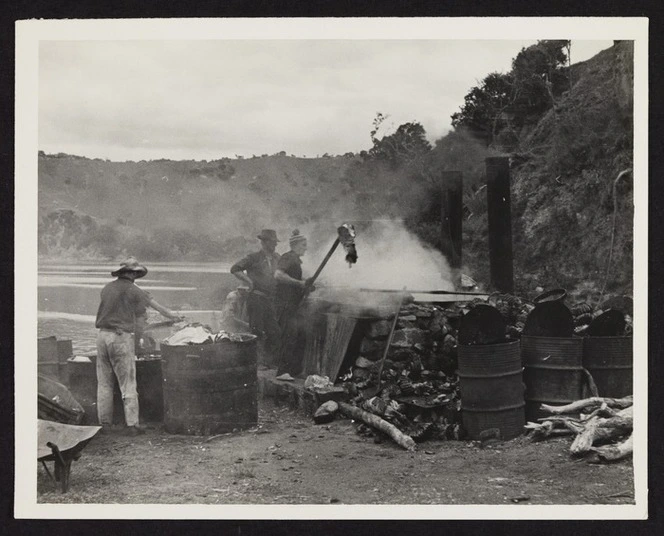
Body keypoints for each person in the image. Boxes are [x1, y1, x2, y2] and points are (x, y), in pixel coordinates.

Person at [95, 257, 182, 435]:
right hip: (120, 336)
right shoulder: (135, 291)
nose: (135, 275)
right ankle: (132, 425)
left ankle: (105, 425)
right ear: (132, 273)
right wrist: (140, 341)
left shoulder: (107, 288)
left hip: (102, 336)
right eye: (134, 273)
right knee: (128, 383)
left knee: (104, 383)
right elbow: (143, 319)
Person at [230, 229, 281, 366]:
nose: (275, 245)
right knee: (257, 331)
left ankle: (269, 362)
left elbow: (284, 274)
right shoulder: (253, 258)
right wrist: (249, 281)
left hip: (270, 300)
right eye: (272, 242)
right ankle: (256, 363)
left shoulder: (277, 258)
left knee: (274, 332)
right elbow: (235, 268)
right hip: (256, 298)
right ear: (264, 242)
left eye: (275, 242)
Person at [274, 229, 315, 378]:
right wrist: (300, 284)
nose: (306, 248)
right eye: (304, 245)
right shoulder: (288, 257)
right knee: (289, 337)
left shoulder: (296, 261)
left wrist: (307, 285)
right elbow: (278, 275)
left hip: (293, 305)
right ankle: (283, 371)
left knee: (300, 336)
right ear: (296, 245)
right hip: (285, 305)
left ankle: (295, 371)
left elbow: (298, 284)